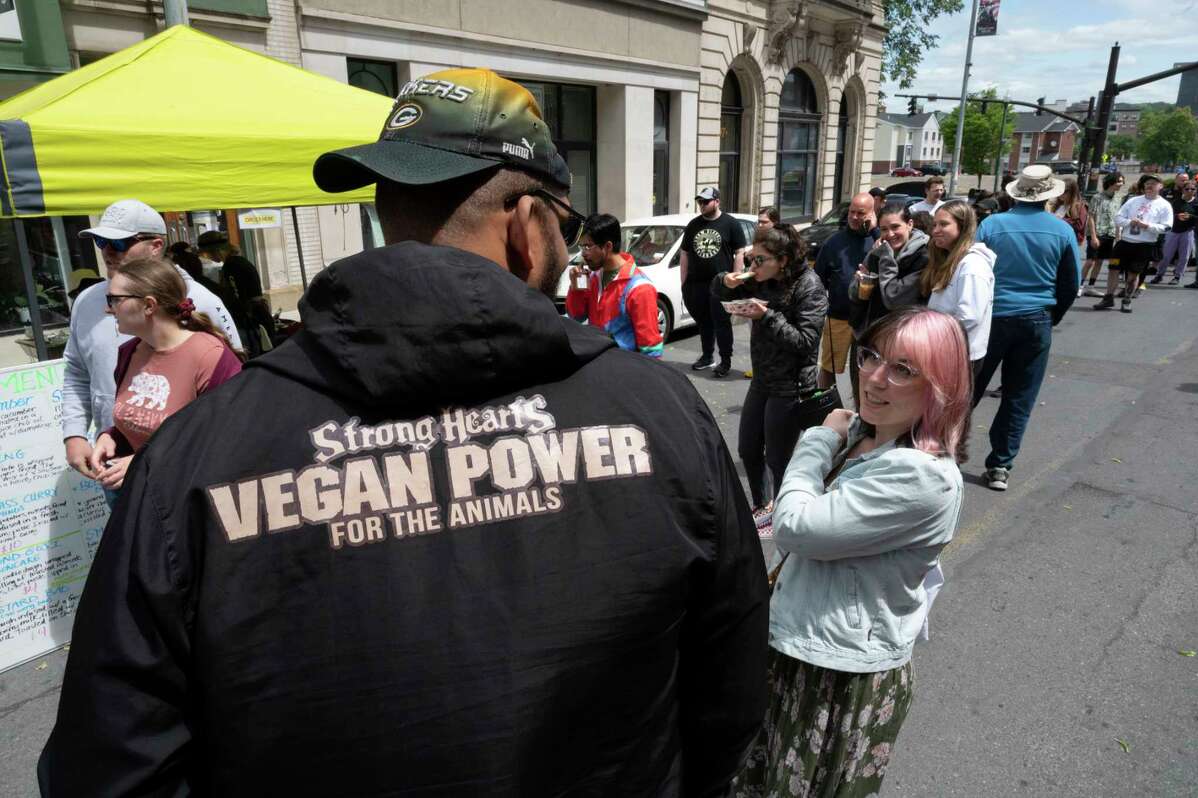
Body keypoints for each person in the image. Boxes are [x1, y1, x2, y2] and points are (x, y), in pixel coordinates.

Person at [41, 67, 769, 797]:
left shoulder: (198, 454)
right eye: (567, 227)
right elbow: (730, 692)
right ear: (526, 223)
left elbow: (107, 759)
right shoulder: (662, 412)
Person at [735, 307, 970, 798]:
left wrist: (819, 438)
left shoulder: (922, 477)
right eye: (871, 358)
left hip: (836, 672)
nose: (875, 378)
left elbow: (796, 526)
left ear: (939, 387)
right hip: (798, 644)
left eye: (903, 369)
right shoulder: (867, 435)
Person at [61, 200, 241, 507]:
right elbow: (77, 371)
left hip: (185, 481)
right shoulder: (89, 303)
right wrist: (76, 434)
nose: (106, 251)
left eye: (118, 242)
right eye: (100, 241)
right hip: (115, 464)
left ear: (156, 245)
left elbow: (229, 413)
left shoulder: (201, 301)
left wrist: (149, 459)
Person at [88, 257, 242, 492]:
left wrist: (144, 463)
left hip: (187, 504)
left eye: (115, 300)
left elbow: (226, 441)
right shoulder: (129, 352)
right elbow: (139, 421)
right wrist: (111, 437)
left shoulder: (211, 356)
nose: (107, 309)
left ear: (149, 305)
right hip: (137, 494)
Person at [973, 165, 1080, 491]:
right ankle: (1000, 466)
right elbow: (1070, 283)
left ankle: (943, 450)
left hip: (993, 318)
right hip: (1036, 319)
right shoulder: (1061, 231)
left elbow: (975, 271)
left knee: (968, 390)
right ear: (1049, 194)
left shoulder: (991, 225)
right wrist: (1051, 315)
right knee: (1019, 396)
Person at [711, 223, 826, 520]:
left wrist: (767, 316)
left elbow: (806, 342)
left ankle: (787, 513)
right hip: (762, 379)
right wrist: (727, 281)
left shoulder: (809, 286)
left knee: (778, 458)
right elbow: (716, 288)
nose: (753, 265)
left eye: (760, 260)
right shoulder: (762, 278)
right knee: (748, 449)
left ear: (783, 260)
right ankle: (763, 505)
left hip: (791, 385)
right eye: (752, 258)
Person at [565, 213, 663, 357]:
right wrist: (576, 288)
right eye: (581, 247)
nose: (583, 254)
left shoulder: (640, 289)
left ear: (608, 246)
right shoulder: (593, 277)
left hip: (625, 371)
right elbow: (576, 317)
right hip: (598, 364)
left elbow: (651, 350)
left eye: (588, 246)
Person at [814, 192, 878, 396]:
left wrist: (875, 230)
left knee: (865, 371)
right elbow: (817, 280)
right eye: (852, 212)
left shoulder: (880, 240)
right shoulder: (834, 243)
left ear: (872, 214)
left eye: (861, 213)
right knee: (828, 367)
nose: (855, 217)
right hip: (838, 318)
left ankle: (863, 415)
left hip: (869, 320)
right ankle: (822, 409)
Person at [681, 186, 748, 377]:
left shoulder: (731, 224)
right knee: (703, 322)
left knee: (721, 324)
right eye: (700, 201)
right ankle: (707, 356)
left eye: (706, 201)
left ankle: (725, 361)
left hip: (721, 285)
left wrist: (735, 279)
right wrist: (683, 282)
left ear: (717, 201)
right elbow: (684, 253)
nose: (701, 205)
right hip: (696, 283)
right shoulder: (693, 225)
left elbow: (740, 252)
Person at [924, 200, 996, 372]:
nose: (935, 231)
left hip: (958, 356)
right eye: (934, 225)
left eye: (944, 224)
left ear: (962, 227)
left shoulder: (972, 266)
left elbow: (969, 317)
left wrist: (930, 335)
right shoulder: (952, 260)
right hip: (945, 351)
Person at [848, 201, 930, 337]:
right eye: (884, 229)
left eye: (895, 227)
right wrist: (860, 284)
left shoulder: (923, 257)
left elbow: (894, 300)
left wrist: (886, 258)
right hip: (869, 334)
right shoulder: (877, 252)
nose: (890, 234)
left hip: (902, 337)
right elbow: (853, 294)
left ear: (910, 224)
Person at [1094, 174, 1172, 313]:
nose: (1149, 185)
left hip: (1144, 246)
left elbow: (1167, 227)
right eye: (1147, 183)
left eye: (1154, 183)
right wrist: (1130, 222)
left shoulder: (1165, 205)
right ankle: (1108, 297)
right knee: (1113, 268)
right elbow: (1118, 217)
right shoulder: (1133, 200)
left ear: (1160, 186)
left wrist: (1147, 226)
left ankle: (1127, 300)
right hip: (1124, 243)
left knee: (1133, 274)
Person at [198, 229, 274, 356]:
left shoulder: (231, 266)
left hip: (252, 320)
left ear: (216, 251)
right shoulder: (240, 261)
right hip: (259, 314)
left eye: (208, 254)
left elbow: (237, 298)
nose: (209, 258)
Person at [1082, 172, 1124, 296]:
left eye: (1122, 181)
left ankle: (1091, 287)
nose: (1121, 184)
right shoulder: (1097, 197)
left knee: (1100, 261)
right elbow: (1091, 217)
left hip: (1110, 233)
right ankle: (1079, 285)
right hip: (1097, 232)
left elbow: (1118, 218)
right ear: (1111, 182)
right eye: (1119, 181)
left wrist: (1118, 236)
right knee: (1090, 261)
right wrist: (1094, 236)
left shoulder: (1119, 198)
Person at [1150, 179, 1198, 285]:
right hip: (1173, 231)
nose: (1189, 191)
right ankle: (1159, 275)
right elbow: (1168, 215)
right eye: (1187, 189)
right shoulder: (1176, 201)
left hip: (1188, 232)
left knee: (1184, 256)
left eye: (1192, 189)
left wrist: (1191, 217)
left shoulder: (1197, 203)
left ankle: (1177, 276)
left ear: (1196, 190)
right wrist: (1178, 216)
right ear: (1182, 190)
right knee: (1166, 255)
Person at [1049, 178, 1089, 250]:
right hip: (1055, 240)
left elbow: (1079, 225)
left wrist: (1061, 220)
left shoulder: (1079, 206)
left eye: (1064, 191)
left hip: (1069, 242)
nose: (1061, 194)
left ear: (1072, 192)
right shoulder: (1057, 205)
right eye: (1059, 191)